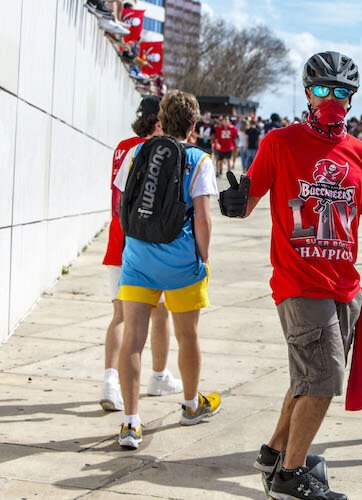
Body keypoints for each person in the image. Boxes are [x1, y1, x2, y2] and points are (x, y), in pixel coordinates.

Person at [219, 51, 362, 500]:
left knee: (308, 376)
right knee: (324, 378)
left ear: (351, 99)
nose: (331, 98)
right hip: (299, 283)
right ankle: (290, 477)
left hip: (344, 286)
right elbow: (247, 199)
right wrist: (234, 202)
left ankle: (275, 452)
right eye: (322, 89)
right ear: (307, 92)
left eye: (341, 91)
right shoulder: (279, 142)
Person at [113, 90, 220, 450]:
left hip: (138, 260)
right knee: (187, 335)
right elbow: (203, 219)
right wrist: (203, 259)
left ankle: (130, 422)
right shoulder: (199, 160)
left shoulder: (136, 152)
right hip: (180, 263)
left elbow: (121, 202)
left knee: (133, 339)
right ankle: (191, 404)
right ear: (193, 125)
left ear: (161, 118)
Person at [100, 96, 183, 412]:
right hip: (145, 242)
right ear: (158, 121)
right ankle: (159, 376)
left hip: (117, 238)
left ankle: (110, 381)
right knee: (160, 313)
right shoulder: (158, 152)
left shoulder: (123, 146)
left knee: (119, 316)